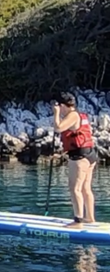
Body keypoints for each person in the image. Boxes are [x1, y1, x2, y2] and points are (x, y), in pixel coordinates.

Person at [52, 92, 97, 228]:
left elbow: (58, 128)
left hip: (79, 157)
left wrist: (55, 114)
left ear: (62, 105)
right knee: (85, 188)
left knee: (74, 188)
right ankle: (89, 217)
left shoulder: (72, 115)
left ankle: (78, 221)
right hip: (90, 154)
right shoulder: (79, 114)